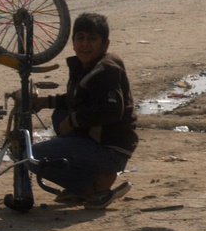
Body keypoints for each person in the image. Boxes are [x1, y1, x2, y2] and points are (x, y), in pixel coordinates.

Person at [26, 13, 138, 209]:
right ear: (73, 42)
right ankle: (86, 181)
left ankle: (92, 188)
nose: (85, 44)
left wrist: (73, 121)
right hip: (98, 143)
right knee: (60, 114)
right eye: (80, 38)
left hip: (110, 150)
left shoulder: (106, 69)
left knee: (30, 156)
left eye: (92, 39)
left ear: (105, 44)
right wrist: (46, 102)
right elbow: (77, 99)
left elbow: (112, 110)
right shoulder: (86, 66)